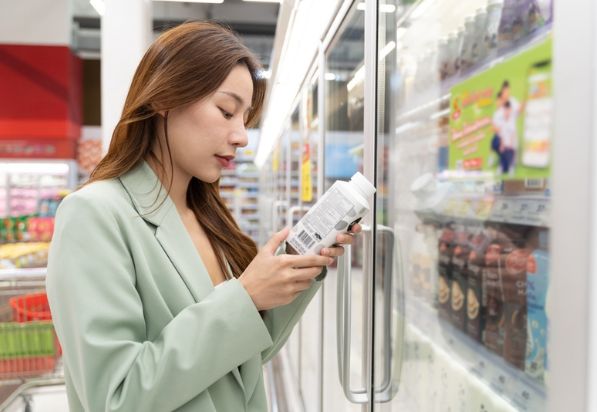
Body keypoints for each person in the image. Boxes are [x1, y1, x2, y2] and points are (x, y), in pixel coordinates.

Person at [46, 21, 361, 412]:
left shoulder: (206, 216)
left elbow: (237, 363)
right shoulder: (93, 215)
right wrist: (245, 297)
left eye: (245, 119)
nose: (242, 136)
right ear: (165, 97)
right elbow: (117, 395)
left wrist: (298, 271)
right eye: (227, 111)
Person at [491, 80, 523, 174]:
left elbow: (512, 133)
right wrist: (502, 143)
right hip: (503, 140)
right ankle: (502, 165)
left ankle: (510, 166)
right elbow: (499, 130)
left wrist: (511, 144)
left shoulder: (512, 103)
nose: (506, 93)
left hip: (510, 144)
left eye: (507, 91)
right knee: (499, 146)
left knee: (509, 152)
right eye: (504, 91)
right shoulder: (500, 109)